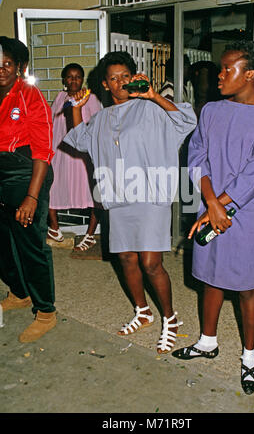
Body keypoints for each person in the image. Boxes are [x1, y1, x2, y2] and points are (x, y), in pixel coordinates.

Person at [172, 40, 254, 394]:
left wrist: (219, 206)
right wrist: (211, 202)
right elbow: (197, 157)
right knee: (211, 278)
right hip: (212, 208)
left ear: (249, 74)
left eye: (227, 69)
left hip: (245, 214)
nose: (219, 76)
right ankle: (208, 342)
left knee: (246, 286)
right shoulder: (211, 111)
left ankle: (250, 357)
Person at [63, 51, 197, 353]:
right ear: (105, 85)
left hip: (150, 194)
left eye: (125, 75)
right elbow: (79, 140)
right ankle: (142, 311)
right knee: (126, 259)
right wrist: (77, 107)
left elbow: (186, 120)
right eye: (113, 77)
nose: (120, 81)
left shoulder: (149, 109)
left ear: (133, 77)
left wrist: (153, 96)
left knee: (151, 263)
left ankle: (170, 318)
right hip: (117, 195)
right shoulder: (100, 118)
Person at [0, 36, 56, 342]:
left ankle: (46, 311)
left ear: (19, 66)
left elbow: (43, 150)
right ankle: (19, 293)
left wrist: (32, 196)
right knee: (4, 245)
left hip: (25, 174)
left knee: (31, 246)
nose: (1, 69)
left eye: (7, 63)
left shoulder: (30, 96)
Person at [47, 63, 102, 251]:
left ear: (82, 79)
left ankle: (90, 234)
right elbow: (53, 126)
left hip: (83, 156)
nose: (73, 80)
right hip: (62, 153)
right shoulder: (60, 98)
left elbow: (98, 126)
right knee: (51, 189)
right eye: (69, 77)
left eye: (77, 76)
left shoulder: (91, 98)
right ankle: (54, 229)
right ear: (64, 80)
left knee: (94, 193)